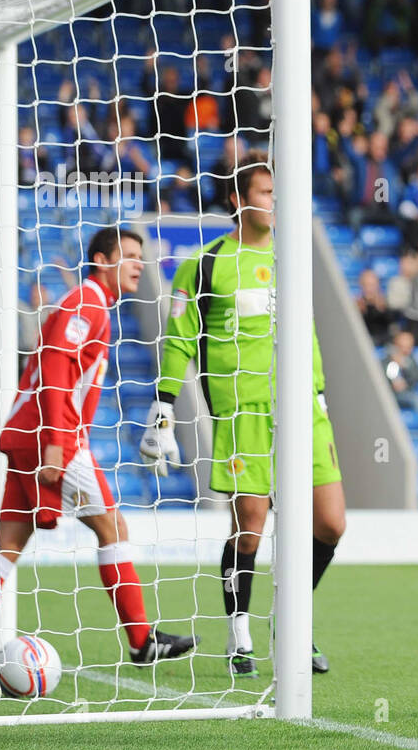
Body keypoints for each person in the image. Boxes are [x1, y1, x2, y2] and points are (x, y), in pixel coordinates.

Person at [0, 227, 197, 671]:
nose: (140, 264)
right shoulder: (87, 301)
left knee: (7, 542)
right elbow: (57, 370)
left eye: (142, 256)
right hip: (52, 435)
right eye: (131, 255)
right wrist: (58, 445)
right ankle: (142, 642)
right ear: (103, 261)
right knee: (114, 530)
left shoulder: (89, 303)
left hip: (27, 432)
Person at [140, 159, 346, 678]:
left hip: (302, 408)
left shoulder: (289, 259)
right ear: (238, 199)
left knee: (331, 522)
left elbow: (308, 332)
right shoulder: (204, 264)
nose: (275, 200)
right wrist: (164, 406)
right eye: (265, 191)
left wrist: (318, 393)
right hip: (243, 412)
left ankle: (291, 621)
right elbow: (181, 336)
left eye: (279, 191)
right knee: (250, 527)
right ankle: (241, 637)